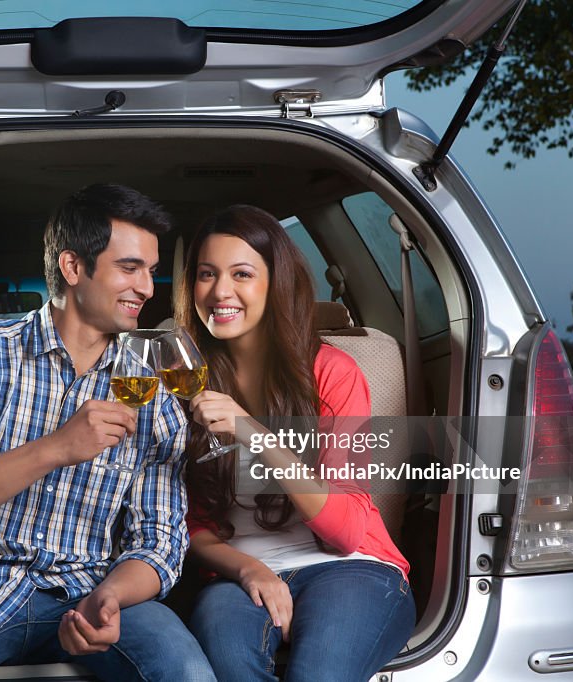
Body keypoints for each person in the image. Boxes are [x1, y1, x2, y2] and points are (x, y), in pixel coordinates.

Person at [0, 184, 215, 682]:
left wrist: (110, 597)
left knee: (188, 673)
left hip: (91, 587)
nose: (147, 288)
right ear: (73, 268)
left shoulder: (150, 387)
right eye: (129, 268)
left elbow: (159, 539)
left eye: (151, 271)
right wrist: (56, 448)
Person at [174, 205, 415, 682]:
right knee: (227, 666)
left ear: (276, 282)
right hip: (236, 575)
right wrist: (248, 569)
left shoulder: (332, 373)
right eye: (207, 274)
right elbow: (190, 526)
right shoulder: (184, 381)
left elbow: (346, 531)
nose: (220, 291)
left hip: (351, 569)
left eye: (241, 273)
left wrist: (254, 433)